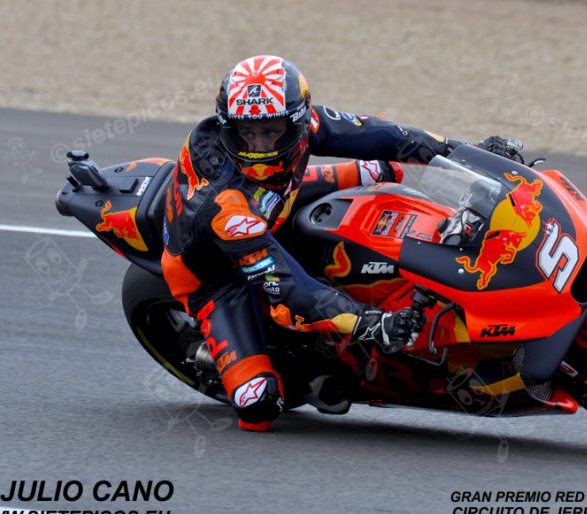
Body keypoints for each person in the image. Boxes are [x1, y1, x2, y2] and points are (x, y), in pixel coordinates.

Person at [161, 54, 524, 431]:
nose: (258, 145)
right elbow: (287, 287)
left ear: (299, 119)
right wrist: (373, 323)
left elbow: (382, 135)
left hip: (275, 201)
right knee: (259, 405)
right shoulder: (227, 209)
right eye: (245, 132)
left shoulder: (306, 123)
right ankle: (241, 361)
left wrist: (465, 152)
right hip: (217, 277)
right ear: (226, 127)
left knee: (383, 168)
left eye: (271, 131)